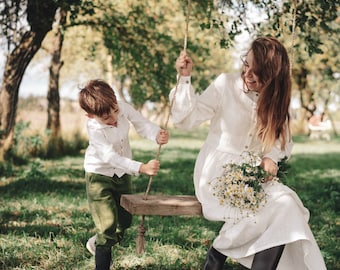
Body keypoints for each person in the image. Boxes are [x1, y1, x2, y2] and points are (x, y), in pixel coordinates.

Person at [170, 37, 326, 269]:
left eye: (258, 71)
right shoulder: (225, 84)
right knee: (265, 210)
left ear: (273, 75)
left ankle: (218, 256)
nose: (248, 74)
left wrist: (271, 157)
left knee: (287, 205)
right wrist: (184, 79)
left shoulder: (275, 98)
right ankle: (218, 254)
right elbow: (185, 120)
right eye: (246, 65)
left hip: (252, 175)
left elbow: (283, 140)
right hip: (215, 173)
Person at [78, 79, 169, 270]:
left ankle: (97, 242)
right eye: (106, 117)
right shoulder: (94, 128)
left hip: (122, 174)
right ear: (90, 115)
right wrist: (141, 167)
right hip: (99, 175)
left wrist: (156, 134)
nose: (113, 118)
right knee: (107, 226)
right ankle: (103, 257)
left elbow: (142, 123)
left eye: (115, 111)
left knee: (125, 220)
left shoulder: (121, 107)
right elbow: (109, 157)